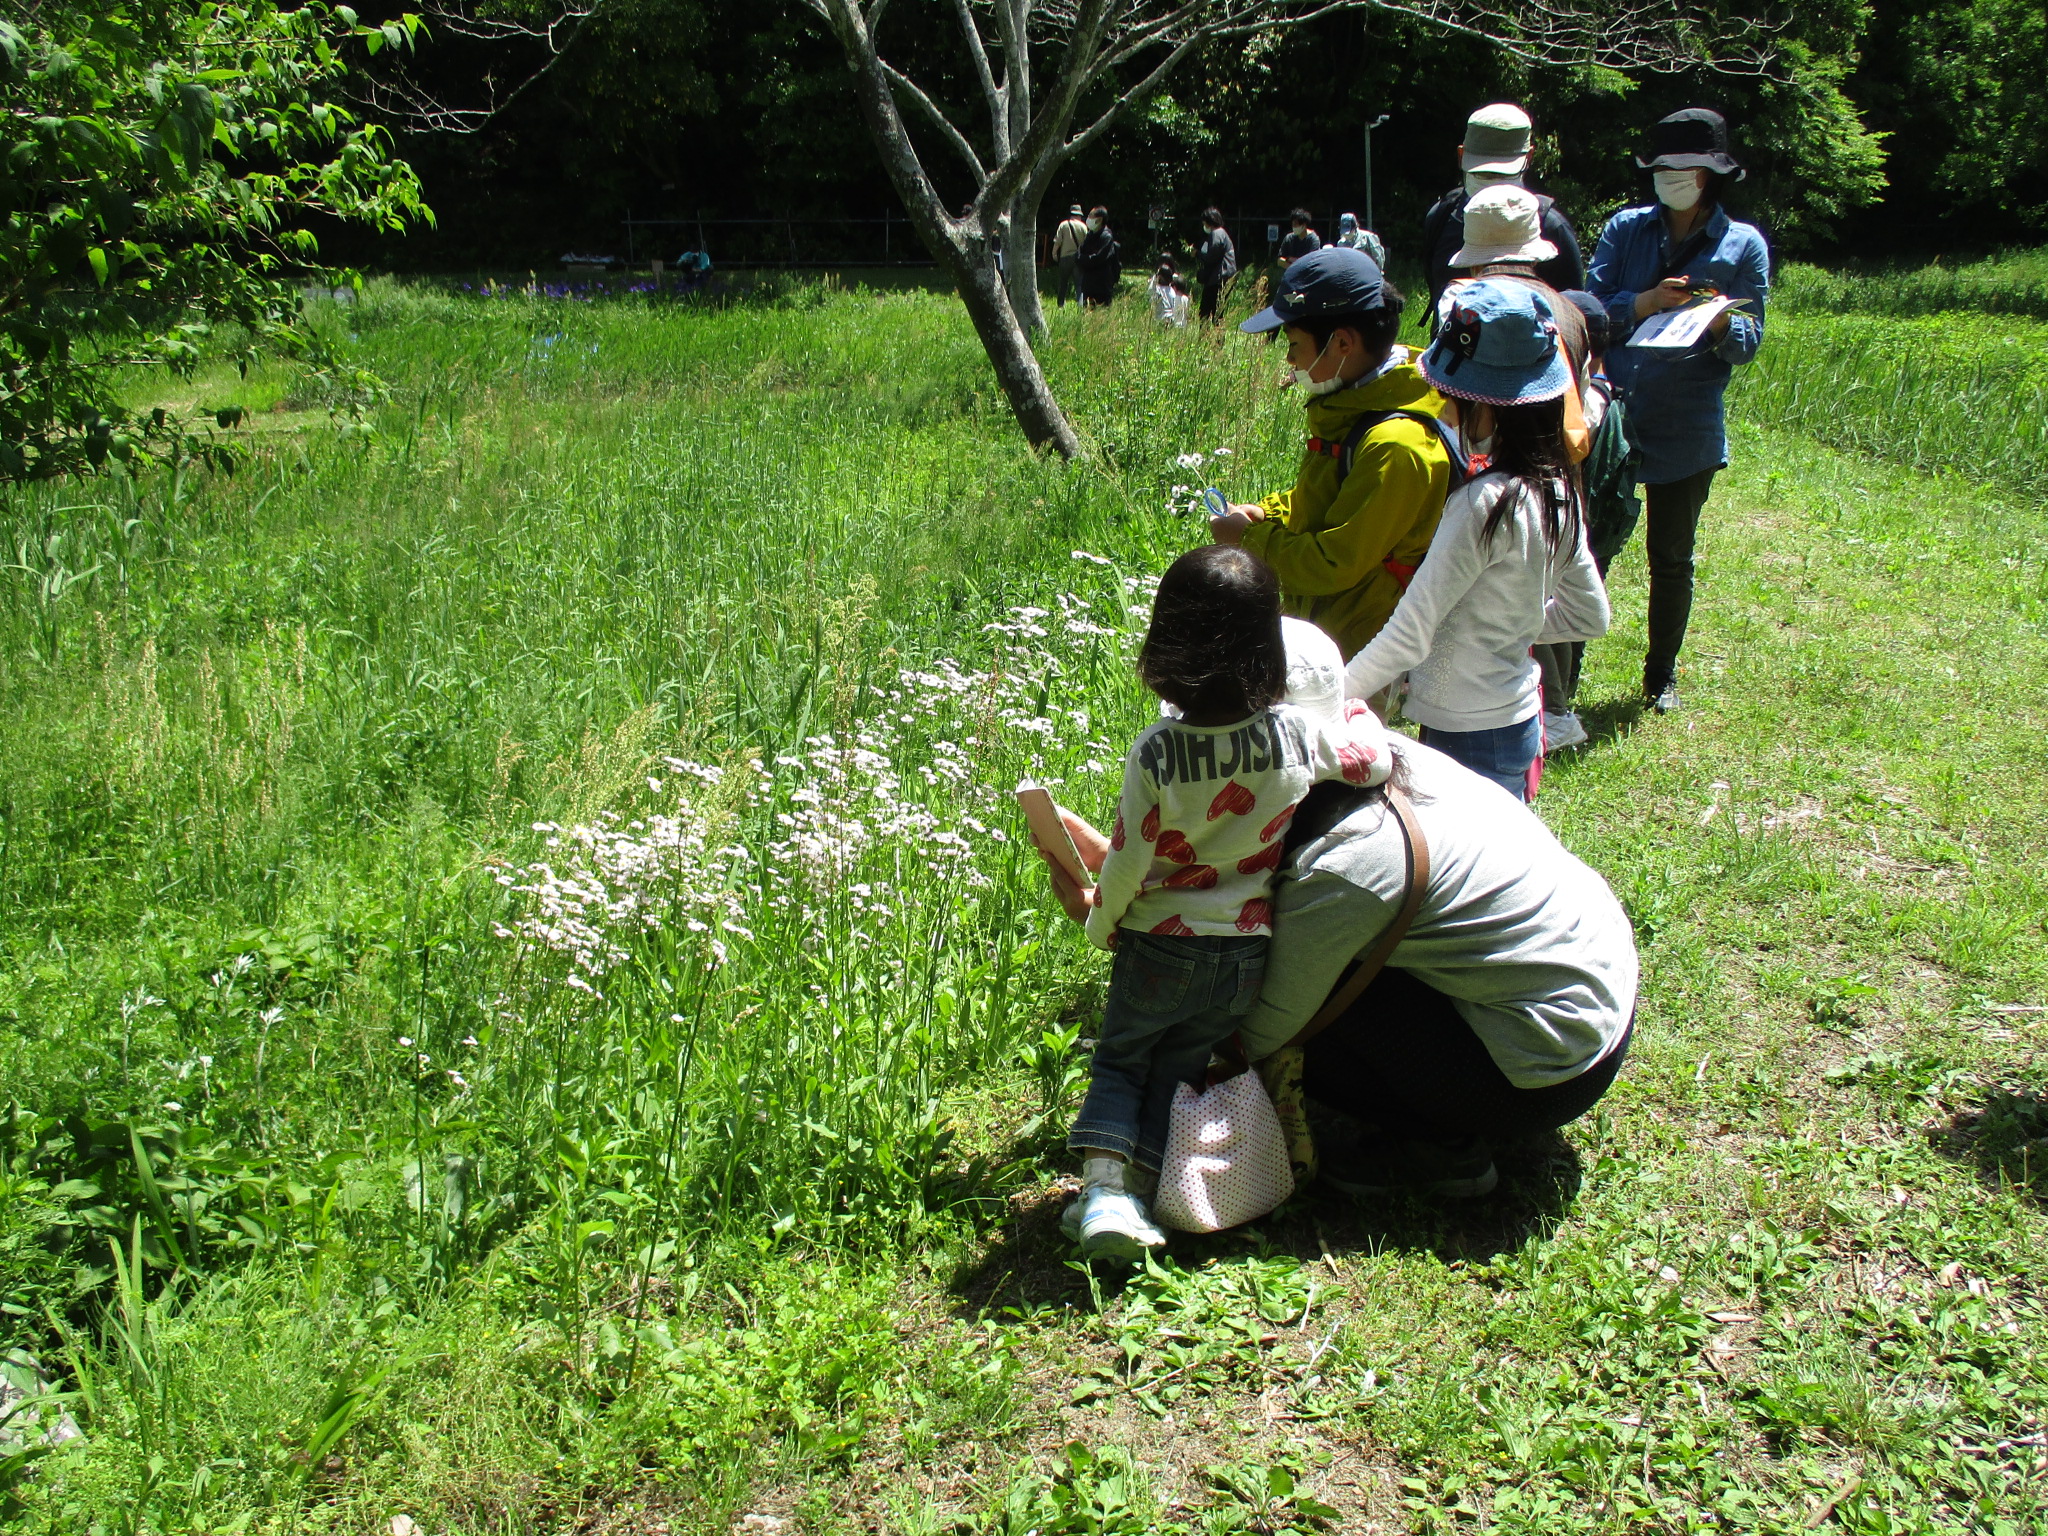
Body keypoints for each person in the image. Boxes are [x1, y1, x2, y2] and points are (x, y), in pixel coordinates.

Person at [1031, 677, 1638, 1205]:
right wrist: (1136, 870)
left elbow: (1257, 1029)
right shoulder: (1377, 764)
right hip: (1599, 992)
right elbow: (1240, 861)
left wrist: (1142, 942)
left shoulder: (1345, 863)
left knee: (1282, 1007)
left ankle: (1443, 1150)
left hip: (1550, 1071)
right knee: (1314, 961)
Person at [1062, 547, 1393, 1262]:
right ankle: (1145, 1194)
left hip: (1159, 941)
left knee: (1122, 1060)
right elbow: (1378, 760)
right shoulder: (1297, 734)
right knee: (1177, 1068)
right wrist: (1358, 713)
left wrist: (1100, 922)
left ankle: (1105, 1191)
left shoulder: (1155, 753)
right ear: (1268, 651)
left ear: (1166, 642)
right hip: (1243, 951)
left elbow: (1127, 860)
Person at [1343, 280, 1609, 802]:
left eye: (1455, 401)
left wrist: (1326, 697)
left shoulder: (1481, 506)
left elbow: (1409, 636)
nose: (1447, 414)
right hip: (1517, 723)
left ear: (1488, 409)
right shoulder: (1558, 490)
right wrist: (1505, 628)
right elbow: (1590, 616)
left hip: (1462, 735)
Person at [1588, 107, 1769, 714]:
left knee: (1671, 556)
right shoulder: (1625, 230)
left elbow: (1748, 343)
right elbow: (1586, 313)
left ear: (1711, 175)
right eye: (1663, 167)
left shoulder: (1742, 245)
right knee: (1592, 546)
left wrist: (1717, 318)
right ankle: (1566, 667)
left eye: (1685, 168)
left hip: (1687, 422)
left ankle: (1660, 675)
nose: (1671, 178)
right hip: (1615, 413)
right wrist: (1641, 302)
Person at [1209, 246, 1453, 665]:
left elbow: (1335, 562)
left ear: (1341, 343)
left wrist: (1246, 540)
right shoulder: (1354, 405)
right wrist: (1269, 513)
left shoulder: (1396, 445)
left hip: (1358, 652)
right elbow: (1328, 494)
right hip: (1325, 628)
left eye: (1295, 343)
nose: (1288, 358)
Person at [1534, 290, 1639, 751]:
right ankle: (1560, 704)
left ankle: (1557, 713)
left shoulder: (1588, 400)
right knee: (1554, 614)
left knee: (1547, 617)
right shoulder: (1597, 392)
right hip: (1585, 523)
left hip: (1573, 522)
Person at [1421, 104, 1583, 331]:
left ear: (1529, 157)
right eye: (1482, 172)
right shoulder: (1440, 217)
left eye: (1503, 173)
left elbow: (1575, 315)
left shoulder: (1552, 227)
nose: (1492, 182)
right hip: (1445, 361)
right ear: (1461, 155)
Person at [1195, 208, 1238, 323]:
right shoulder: (1222, 233)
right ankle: (1216, 339)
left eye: (1204, 223)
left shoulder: (1217, 233)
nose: (1204, 226)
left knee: (1206, 312)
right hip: (1222, 279)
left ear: (1209, 222)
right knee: (1217, 313)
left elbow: (1212, 255)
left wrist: (1198, 254)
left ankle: (1207, 339)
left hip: (1217, 280)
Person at [1074, 206, 1122, 308]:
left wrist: (1084, 259)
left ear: (1099, 219)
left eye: (1090, 216)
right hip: (1088, 285)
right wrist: (1085, 258)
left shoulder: (1106, 237)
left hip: (1101, 287)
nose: (1088, 218)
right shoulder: (1090, 235)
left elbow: (1098, 258)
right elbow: (1078, 255)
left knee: (1101, 316)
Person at [1051, 204, 1089, 308]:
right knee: (1079, 285)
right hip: (1077, 258)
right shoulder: (1083, 226)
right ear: (1079, 215)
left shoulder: (1063, 225)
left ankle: (1060, 305)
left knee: (1063, 283)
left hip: (1064, 258)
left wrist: (1054, 253)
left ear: (1071, 214)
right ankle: (1081, 306)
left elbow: (1058, 241)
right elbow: (1086, 244)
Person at [1148, 261, 1192, 327]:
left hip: (1161, 318)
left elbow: (1150, 292)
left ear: (1160, 277)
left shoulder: (1157, 289)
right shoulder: (1171, 290)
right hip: (1171, 318)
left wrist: (1155, 278)